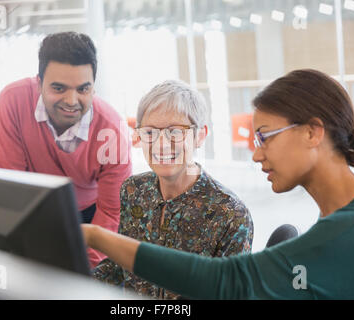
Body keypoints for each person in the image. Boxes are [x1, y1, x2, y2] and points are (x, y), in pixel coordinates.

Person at [82, 69, 354, 299]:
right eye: (150, 132)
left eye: (265, 137)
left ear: (312, 133)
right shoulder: (336, 222)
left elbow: (226, 280)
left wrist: (95, 236)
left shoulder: (349, 229)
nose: (256, 154)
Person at [92, 80, 253, 299]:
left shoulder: (229, 214)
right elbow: (120, 267)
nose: (161, 145)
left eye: (175, 132)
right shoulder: (133, 190)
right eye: (150, 133)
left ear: (200, 136)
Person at [0, 32, 132, 268]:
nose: (71, 100)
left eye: (83, 89)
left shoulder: (113, 129)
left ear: (93, 87)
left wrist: (84, 272)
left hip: (91, 216)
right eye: (59, 88)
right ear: (39, 83)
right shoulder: (12, 102)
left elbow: (111, 213)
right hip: (32, 208)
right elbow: (10, 190)